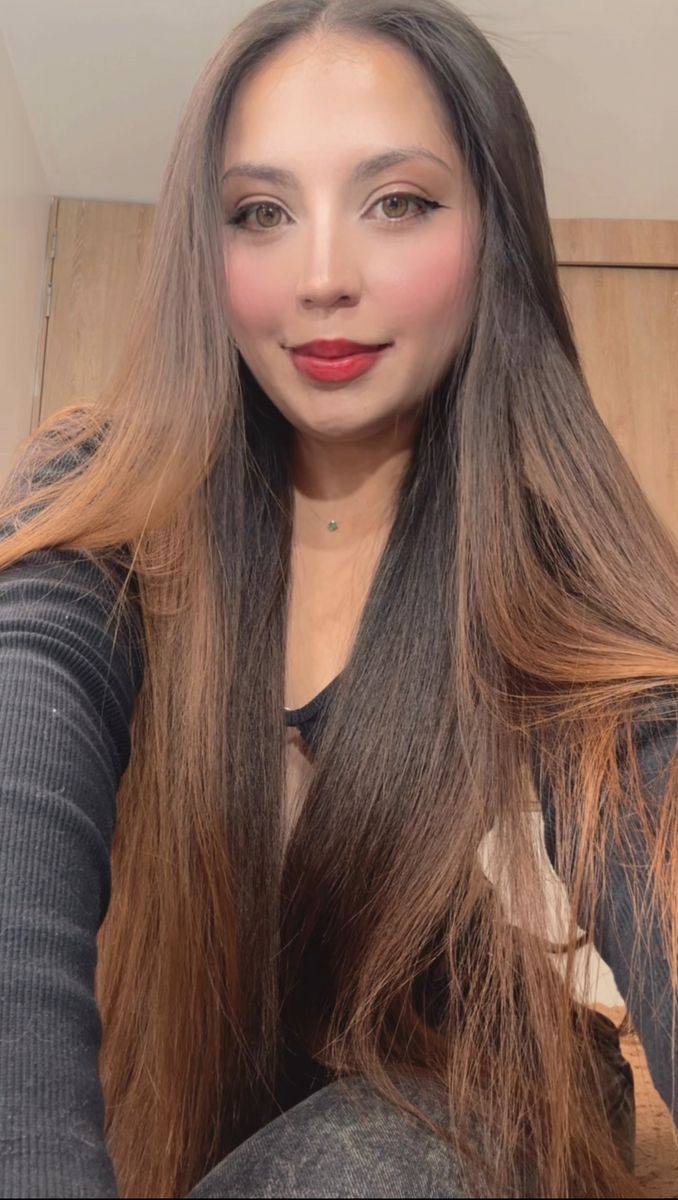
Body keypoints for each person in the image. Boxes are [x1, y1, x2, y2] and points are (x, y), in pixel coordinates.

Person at [1, 1, 676, 1196]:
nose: (321, 278)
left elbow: (648, 780)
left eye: (398, 202)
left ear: (494, 230)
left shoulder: (537, 544)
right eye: (260, 213)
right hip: (206, 1100)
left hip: (478, 1076)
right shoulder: (105, 491)